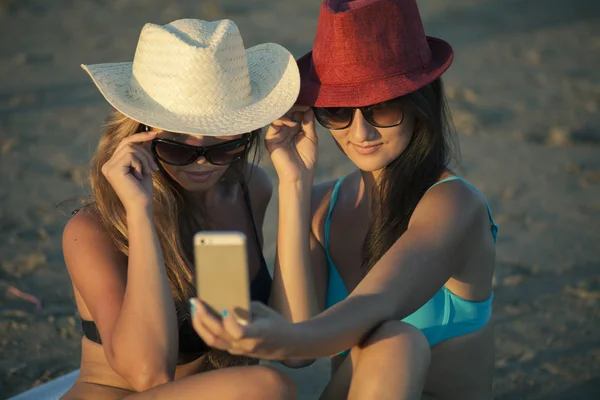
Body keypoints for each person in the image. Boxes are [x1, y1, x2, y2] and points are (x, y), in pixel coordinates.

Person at [190, 1, 497, 399]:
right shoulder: (323, 206)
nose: (360, 133)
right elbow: (297, 358)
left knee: (395, 339)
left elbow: (378, 302)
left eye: (381, 108)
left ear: (421, 103)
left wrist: (284, 338)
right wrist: (295, 184)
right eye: (337, 111)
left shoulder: (454, 205)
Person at [61, 18, 300, 399]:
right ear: (137, 134)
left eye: (223, 146)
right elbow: (149, 375)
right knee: (267, 387)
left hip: (214, 390)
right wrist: (140, 214)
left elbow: (291, 349)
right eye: (177, 148)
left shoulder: (248, 188)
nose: (201, 164)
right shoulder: (95, 228)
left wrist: (295, 185)